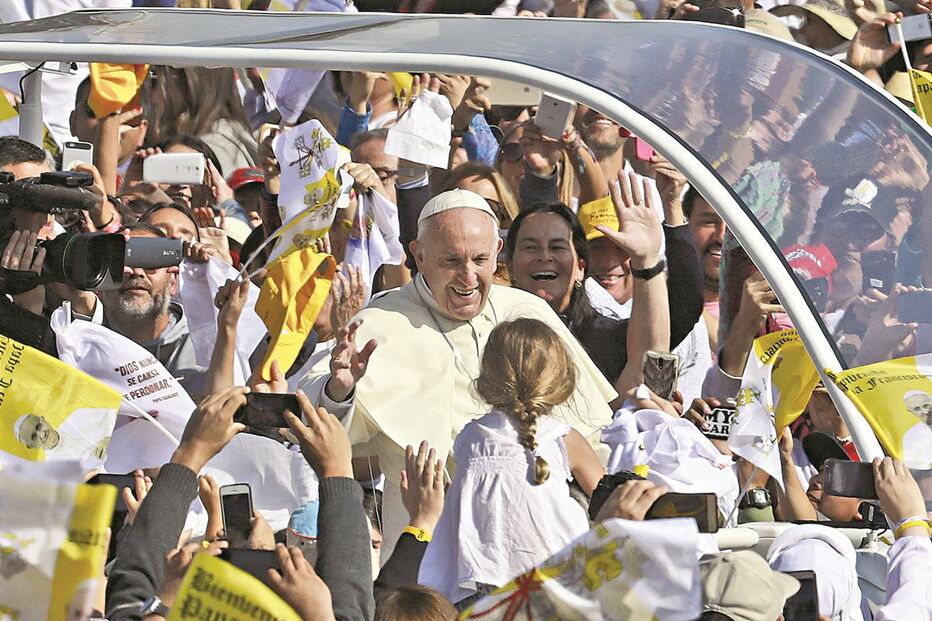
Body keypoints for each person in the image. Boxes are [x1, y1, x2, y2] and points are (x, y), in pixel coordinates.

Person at [298, 188, 616, 558]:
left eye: (480, 260)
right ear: (419, 255)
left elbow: (586, 439)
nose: (468, 277)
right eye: (451, 261)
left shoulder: (528, 312)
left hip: (535, 538)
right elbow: (314, 422)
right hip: (429, 540)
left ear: (498, 252)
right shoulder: (378, 321)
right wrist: (340, 391)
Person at [418, 318, 603, 605]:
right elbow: (605, 494)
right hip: (554, 575)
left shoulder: (472, 436)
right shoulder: (562, 438)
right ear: (562, 379)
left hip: (481, 576)